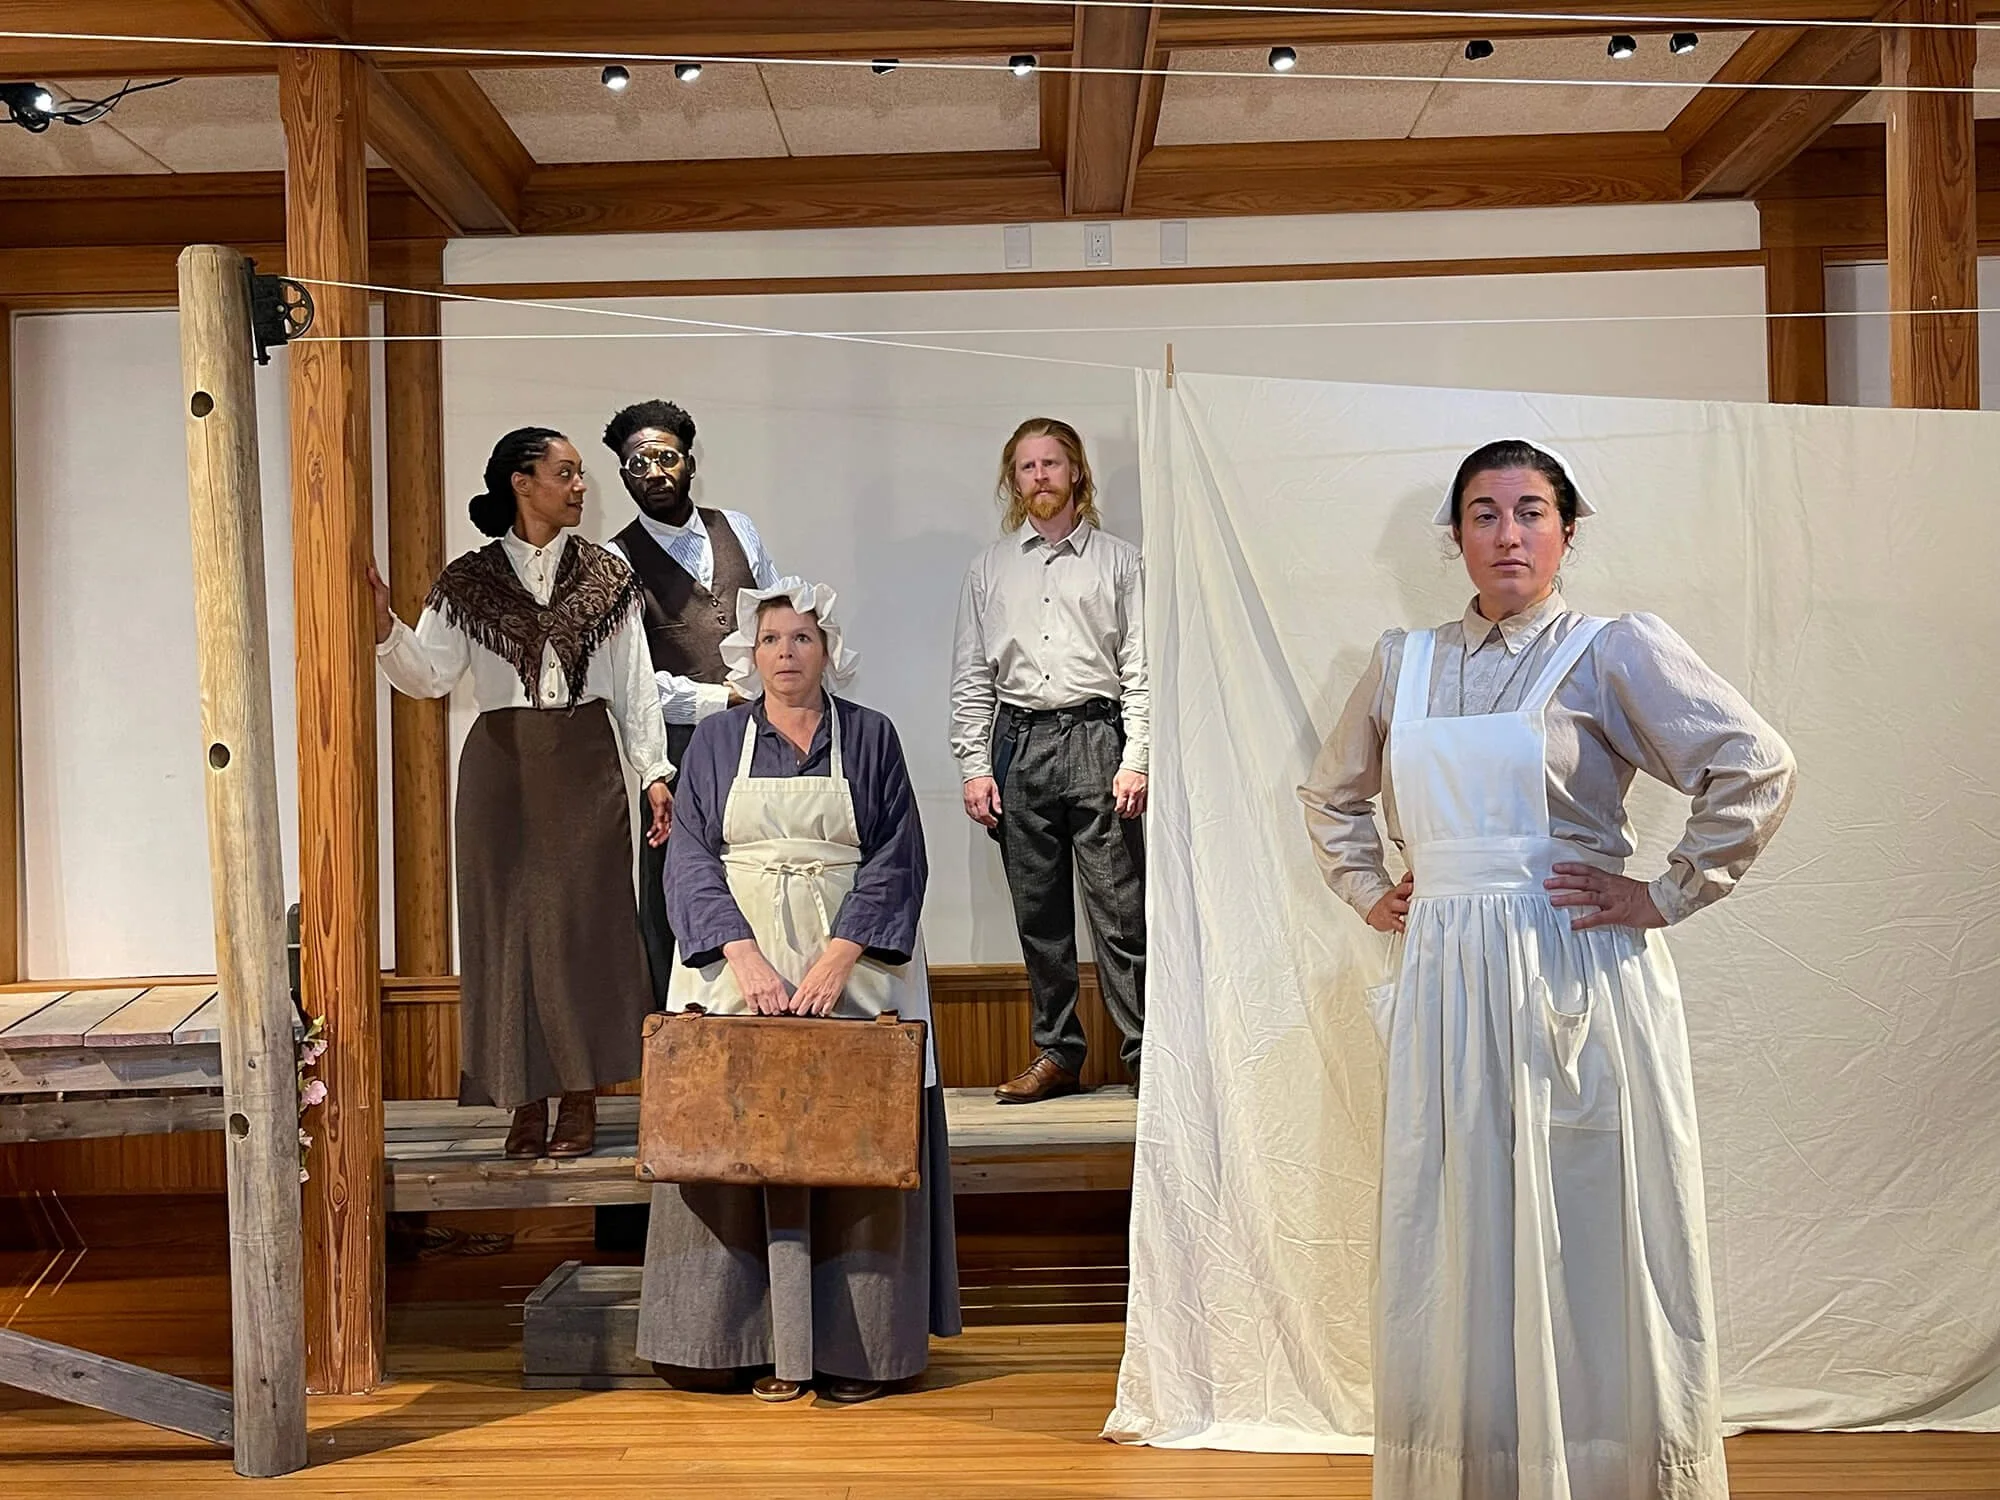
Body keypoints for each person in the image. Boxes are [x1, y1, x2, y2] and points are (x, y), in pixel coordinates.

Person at [1297, 439, 1797, 1500]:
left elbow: (1751, 763)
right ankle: (1480, 1472)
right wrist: (1367, 887)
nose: (1506, 533)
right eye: (1482, 513)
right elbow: (1331, 795)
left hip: (1570, 976)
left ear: (1567, 529)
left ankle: (1605, 1474)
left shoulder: (1610, 650)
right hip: (1445, 982)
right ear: (1456, 538)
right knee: (1460, 1223)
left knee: (1585, 1221)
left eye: (1529, 510)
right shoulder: (1404, 661)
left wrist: (1662, 893)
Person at [636, 579, 960, 1405]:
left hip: (853, 957)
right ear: (752, 652)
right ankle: (729, 1343)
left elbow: (898, 855)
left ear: (829, 650)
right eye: (773, 639)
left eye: (803, 638)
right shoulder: (712, 742)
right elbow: (692, 860)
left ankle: (860, 1351)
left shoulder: (873, 736)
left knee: (859, 1134)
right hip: (739, 955)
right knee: (730, 1130)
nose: (787, 653)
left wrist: (838, 958)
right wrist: (742, 956)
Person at [368, 427, 673, 1160]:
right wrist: (384, 625)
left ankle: (579, 1096)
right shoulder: (468, 579)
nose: (580, 487)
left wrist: (655, 772)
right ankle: (522, 1099)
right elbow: (431, 675)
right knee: (506, 932)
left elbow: (634, 683)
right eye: (565, 473)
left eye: (579, 476)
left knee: (587, 929)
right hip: (501, 771)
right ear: (521, 482)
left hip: (584, 763)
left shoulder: (608, 575)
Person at [948, 418, 1147, 1104]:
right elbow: (972, 674)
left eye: (1051, 463)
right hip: (1019, 742)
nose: (1040, 476)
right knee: (1039, 914)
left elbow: (1140, 668)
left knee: (1120, 912)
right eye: (1027, 466)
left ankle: (1144, 1055)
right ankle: (1059, 1052)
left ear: (1076, 472)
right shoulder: (989, 568)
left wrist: (1138, 757)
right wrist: (975, 766)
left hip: (1099, 737)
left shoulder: (1121, 561)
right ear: (1015, 479)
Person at [602, 399, 782, 1007]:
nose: (653, 471)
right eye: (636, 463)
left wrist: (769, 691)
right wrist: (721, 697)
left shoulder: (740, 528)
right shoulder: (616, 559)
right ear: (624, 475)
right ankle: (678, 1030)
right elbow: (630, 680)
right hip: (678, 748)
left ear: (689, 463)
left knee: (761, 869)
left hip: (763, 734)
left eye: (665, 457)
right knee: (677, 883)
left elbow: (776, 618)